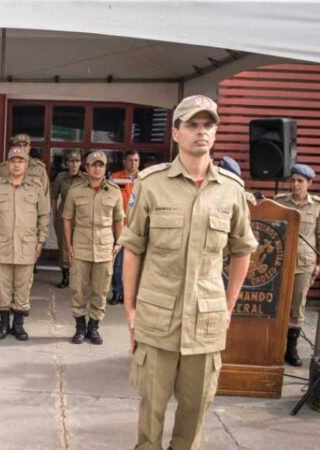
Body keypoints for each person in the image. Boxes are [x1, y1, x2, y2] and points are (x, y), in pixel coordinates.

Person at [118, 95, 257, 450]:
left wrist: (227, 307)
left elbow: (242, 251)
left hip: (206, 320)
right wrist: (130, 310)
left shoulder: (230, 190)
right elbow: (133, 249)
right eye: (192, 125)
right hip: (157, 316)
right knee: (152, 409)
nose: (201, 132)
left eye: (208, 125)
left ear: (215, 132)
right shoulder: (152, 183)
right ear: (176, 133)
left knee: (195, 412)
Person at [0, 146, 50, 341]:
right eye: (13, 161)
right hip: (1, 244)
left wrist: (41, 240)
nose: (17, 164)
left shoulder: (36, 188)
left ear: (27, 164)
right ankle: (3, 324)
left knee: (22, 286)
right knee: (3, 286)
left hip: (27, 245)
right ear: (7, 164)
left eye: (21, 161)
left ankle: (18, 325)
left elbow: (44, 215)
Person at [63, 151, 124, 345]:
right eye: (93, 165)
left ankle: (94, 328)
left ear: (105, 168)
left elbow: (118, 220)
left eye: (101, 165)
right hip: (81, 245)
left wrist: (118, 242)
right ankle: (80, 327)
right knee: (78, 289)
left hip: (105, 246)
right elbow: (67, 218)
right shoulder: (75, 190)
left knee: (100, 290)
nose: (97, 168)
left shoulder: (114, 191)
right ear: (86, 168)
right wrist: (69, 245)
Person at [275, 164, 320, 366]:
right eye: (293, 180)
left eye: (300, 181)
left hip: (303, 263)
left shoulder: (317, 206)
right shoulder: (280, 202)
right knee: (278, 305)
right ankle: (275, 347)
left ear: (309, 183)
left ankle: (291, 349)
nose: (295, 184)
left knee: (297, 306)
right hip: (280, 261)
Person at [51, 150, 85, 288]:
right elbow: (53, 196)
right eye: (71, 161)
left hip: (81, 217)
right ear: (66, 163)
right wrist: (54, 213)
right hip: (63, 216)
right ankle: (65, 276)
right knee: (64, 246)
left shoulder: (85, 178)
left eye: (77, 161)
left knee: (80, 246)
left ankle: (78, 276)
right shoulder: (61, 177)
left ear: (81, 163)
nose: (74, 164)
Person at [109, 150, 140, 304]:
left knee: (135, 263)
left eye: (136, 160)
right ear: (124, 161)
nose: (133, 163)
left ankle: (130, 295)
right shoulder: (115, 177)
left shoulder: (145, 178)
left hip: (138, 227)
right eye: (130, 160)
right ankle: (116, 292)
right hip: (120, 226)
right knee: (118, 263)